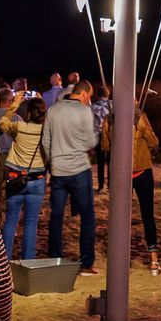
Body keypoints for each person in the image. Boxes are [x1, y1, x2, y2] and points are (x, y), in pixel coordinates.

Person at [42, 80, 99, 275]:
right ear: (83, 94)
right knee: (87, 217)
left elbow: (46, 140)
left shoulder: (53, 110)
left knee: (56, 216)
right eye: (89, 96)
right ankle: (85, 263)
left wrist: (54, 158)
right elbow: (91, 141)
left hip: (58, 170)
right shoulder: (84, 111)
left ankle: (55, 258)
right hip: (79, 169)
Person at [102, 103, 161, 275]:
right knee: (147, 215)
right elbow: (154, 141)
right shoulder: (139, 117)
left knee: (120, 216)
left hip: (122, 171)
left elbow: (105, 146)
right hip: (141, 171)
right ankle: (153, 261)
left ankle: (121, 260)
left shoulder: (109, 119)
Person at [0, 96, 48, 259]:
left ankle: (5, 260)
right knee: (31, 222)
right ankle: (28, 261)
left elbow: (2, 124)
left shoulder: (19, 127)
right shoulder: (45, 130)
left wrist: (14, 106)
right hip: (37, 177)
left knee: (11, 220)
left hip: (16, 176)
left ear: (28, 113)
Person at [90, 85, 112, 189]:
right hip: (111, 135)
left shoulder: (93, 106)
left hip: (98, 135)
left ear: (98, 94)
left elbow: (91, 124)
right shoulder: (113, 105)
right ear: (108, 94)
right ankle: (110, 183)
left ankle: (100, 184)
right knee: (111, 161)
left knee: (100, 161)